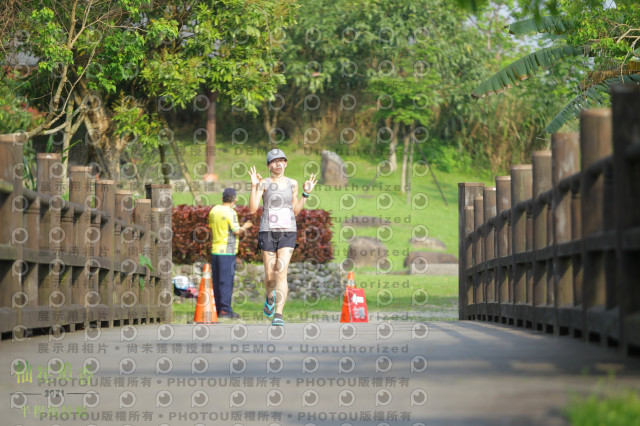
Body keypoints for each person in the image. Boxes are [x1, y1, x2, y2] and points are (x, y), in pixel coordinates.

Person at [249, 148, 317, 326]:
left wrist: (306, 194)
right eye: (274, 161)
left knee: (281, 271)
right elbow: (252, 209)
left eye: (281, 160)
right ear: (269, 165)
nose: (278, 164)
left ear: (286, 163)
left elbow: (295, 211)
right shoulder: (263, 183)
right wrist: (253, 186)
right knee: (270, 275)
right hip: (268, 231)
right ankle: (269, 298)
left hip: (288, 231)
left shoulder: (292, 183)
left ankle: (278, 314)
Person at [208, 188, 252, 319]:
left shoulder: (214, 210)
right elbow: (236, 231)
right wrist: (246, 226)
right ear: (235, 199)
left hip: (215, 250)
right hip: (227, 252)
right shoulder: (231, 212)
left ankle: (218, 308)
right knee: (226, 282)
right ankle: (225, 311)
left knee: (216, 281)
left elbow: (211, 229)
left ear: (222, 198)